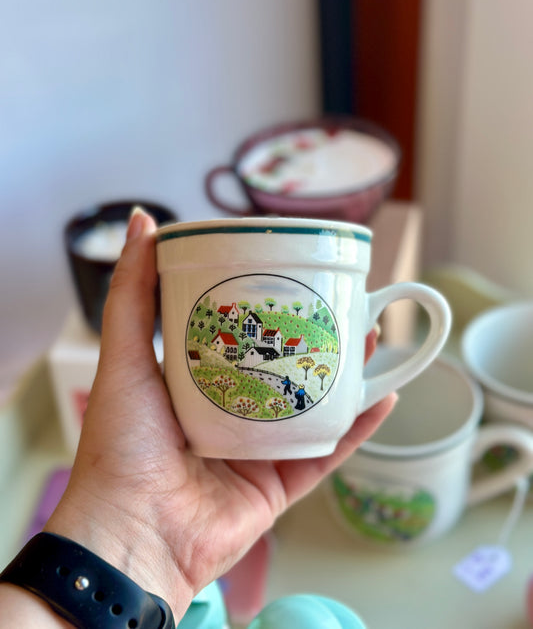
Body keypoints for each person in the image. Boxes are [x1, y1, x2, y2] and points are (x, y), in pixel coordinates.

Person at [0, 207, 397, 627]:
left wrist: (126, 543)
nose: (252, 334)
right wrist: (128, 527)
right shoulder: (233, 339)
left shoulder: (272, 341)